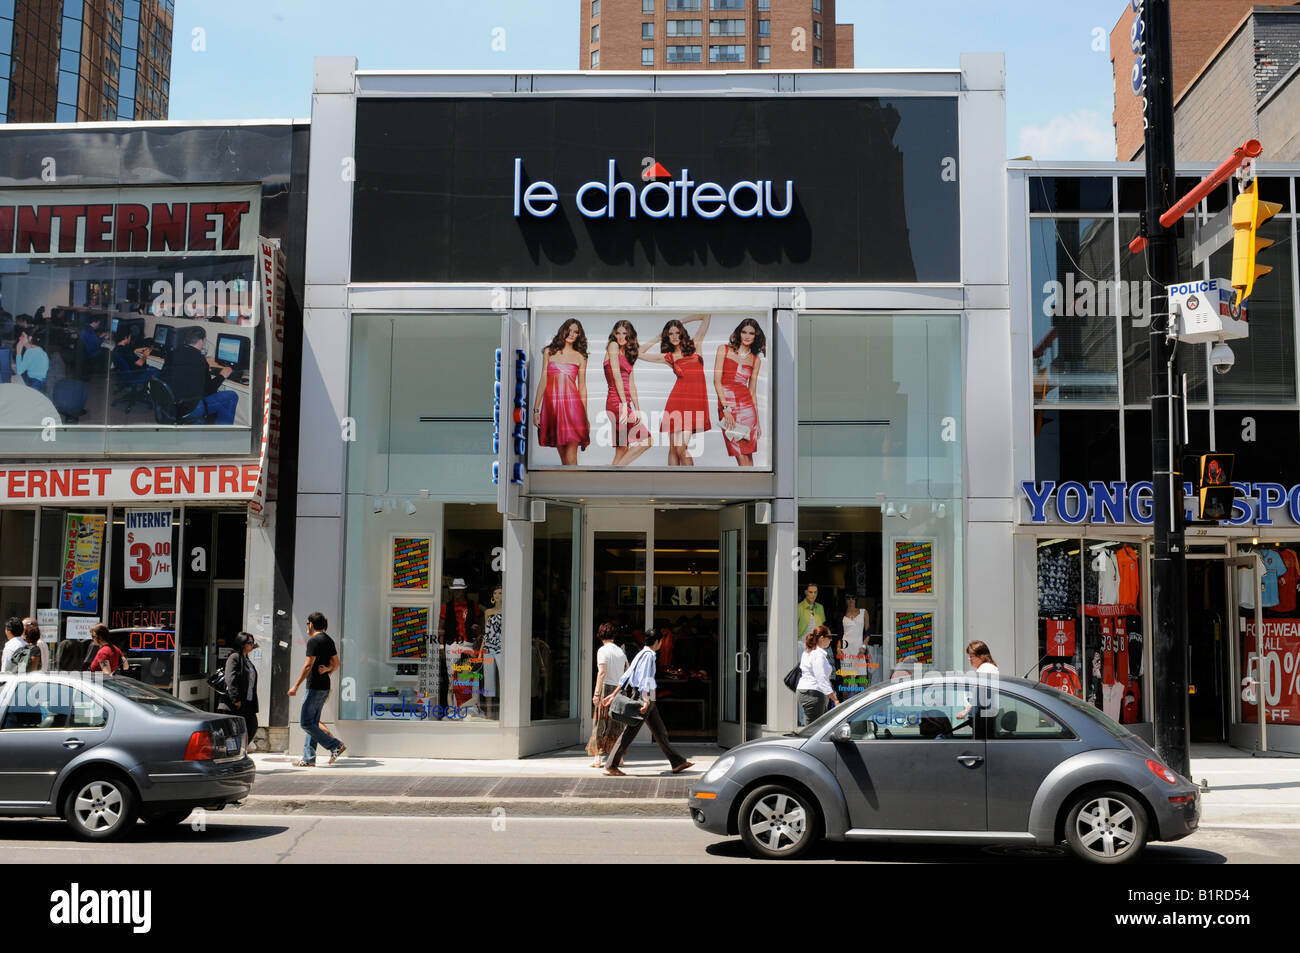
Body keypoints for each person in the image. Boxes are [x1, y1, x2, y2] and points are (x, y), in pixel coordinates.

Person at [604, 628, 694, 777]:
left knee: (660, 732)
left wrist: (614, 693)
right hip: (644, 698)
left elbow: (628, 674)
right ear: (658, 642)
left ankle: (677, 762)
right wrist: (645, 700)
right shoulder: (649, 656)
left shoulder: (641, 653)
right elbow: (645, 678)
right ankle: (611, 765)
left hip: (647, 698)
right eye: (661, 642)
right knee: (630, 732)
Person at [639, 314, 711, 466]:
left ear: (682, 333)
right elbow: (638, 353)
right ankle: (671, 485)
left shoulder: (695, 344)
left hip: (694, 404)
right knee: (672, 449)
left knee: (681, 448)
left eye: (677, 332)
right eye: (670, 334)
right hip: (676, 403)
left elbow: (706, 316)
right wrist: (659, 336)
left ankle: (690, 485)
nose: (674, 336)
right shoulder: (669, 357)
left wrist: (681, 322)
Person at [287, 611, 346, 766]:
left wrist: (295, 685)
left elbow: (308, 666)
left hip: (314, 687)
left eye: (307, 623)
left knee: (306, 723)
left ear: (311, 624)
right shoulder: (328, 639)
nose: (307, 626)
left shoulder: (314, 641)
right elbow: (336, 663)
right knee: (312, 722)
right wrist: (327, 670)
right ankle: (309, 759)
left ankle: (335, 745)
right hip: (324, 686)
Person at [533, 318, 590, 465]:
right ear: (563, 330)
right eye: (569, 330)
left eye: (576, 332)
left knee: (571, 458)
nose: (572, 334)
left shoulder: (581, 356)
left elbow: (582, 388)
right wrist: (536, 410)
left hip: (574, 410)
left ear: (579, 335)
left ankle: (576, 487)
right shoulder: (549, 352)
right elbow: (543, 381)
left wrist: (585, 417)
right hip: (554, 410)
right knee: (564, 459)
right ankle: (571, 487)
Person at [159, 325, 239, 425]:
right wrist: (222, 375)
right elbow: (210, 390)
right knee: (231, 396)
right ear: (202, 341)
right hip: (188, 409)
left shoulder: (172, 353)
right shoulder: (200, 360)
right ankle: (221, 434)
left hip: (169, 406)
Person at [713, 318, 765, 466]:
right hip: (728, 406)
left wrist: (758, 423)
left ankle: (753, 487)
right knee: (739, 453)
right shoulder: (723, 349)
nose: (747, 336)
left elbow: (752, 392)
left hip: (747, 408)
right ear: (739, 333)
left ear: (756, 336)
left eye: (751, 333)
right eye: (744, 332)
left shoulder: (756, 360)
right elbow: (716, 381)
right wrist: (726, 409)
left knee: (748, 456)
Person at [603, 320, 652, 465]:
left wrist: (637, 409)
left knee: (621, 450)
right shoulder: (613, 346)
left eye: (624, 333)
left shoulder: (629, 355)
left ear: (630, 335)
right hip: (616, 402)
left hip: (624, 403)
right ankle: (614, 473)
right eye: (618, 333)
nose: (620, 337)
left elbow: (632, 385)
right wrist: (624, 404)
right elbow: (617, 375)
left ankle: (610, 482)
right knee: (647, 441)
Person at [587, 622, 626, 767]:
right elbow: (627, 669)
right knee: (617, 723)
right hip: (618, 689)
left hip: (606, 688)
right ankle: (618, 757)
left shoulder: (602, 651)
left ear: (600, 635)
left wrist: (597, 693)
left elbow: (602, 672)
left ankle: (597, 757)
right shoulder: (620, 651)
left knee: (600, 722)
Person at [220, 632, 260, 746]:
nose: (252, 645)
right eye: (249, 643)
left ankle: (241, 750)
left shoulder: (246, 659)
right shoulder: (235, 657)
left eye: (253, 642)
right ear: (242, 644)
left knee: (252, 726)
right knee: (233, 732)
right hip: (236, 703)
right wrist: (235, 699)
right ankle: (234, 753)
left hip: (248, 702)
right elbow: (230, 678)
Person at [796, 626, 837, 724]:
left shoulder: (808, 651)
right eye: (829, 637)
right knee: (814, 729)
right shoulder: (818, 655)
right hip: (813, 692)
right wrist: (835, 699)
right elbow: (821, 679)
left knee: (815, 726)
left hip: (807, 691)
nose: (831, 640)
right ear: (822, 638)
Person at [480, 585, 504, 718]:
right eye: (495, 593)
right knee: (488, 679)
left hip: (501, 647)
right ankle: (489, 712)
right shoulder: (488, 612)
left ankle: (503, 711)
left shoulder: (507, 611)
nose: (497, 595)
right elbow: (486, 631)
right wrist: (481, 649)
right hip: (488, 647)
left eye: (500, 593)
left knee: (503, 678)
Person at [14, 325, 50, 392]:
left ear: (30, 338)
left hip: (34, 384)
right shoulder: (40, 350)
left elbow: (19, 371)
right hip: (42, 383)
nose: (19, 338)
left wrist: (18, 352)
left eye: (22, 336)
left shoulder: (30, 352)